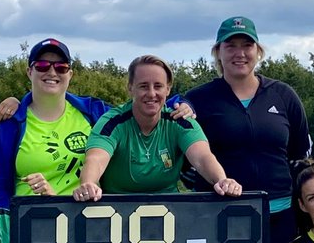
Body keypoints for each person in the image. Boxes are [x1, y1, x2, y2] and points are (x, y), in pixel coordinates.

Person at [0, 38, 196, 208]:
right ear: (30, 71)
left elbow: (138, 108)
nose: (51, 72)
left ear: (70, 74)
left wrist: (183, 104)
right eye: (42, 65)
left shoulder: (94, 112)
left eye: (61, 67)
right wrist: (8, 226)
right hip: (31, 226)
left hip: (88, 222)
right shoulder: (9, 124)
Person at [186, 16, 312, 243]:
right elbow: (186, 161)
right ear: (218, 52)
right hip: (220, 215)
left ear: (258, 51)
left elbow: (301, 151)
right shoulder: (197, 100)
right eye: (230, 46)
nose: (239, 53)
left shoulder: (283, 94)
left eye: (247, 45)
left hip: (280, 215)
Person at [72, 55, 241, 201]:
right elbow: (96, 159)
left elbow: (202, 157)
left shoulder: (179, 120)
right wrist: (89, 183)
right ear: (130, 88)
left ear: (168, 89)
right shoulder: (112, 122)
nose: (152, 93)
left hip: (169, 209)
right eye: (144, 86)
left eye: (158, 86)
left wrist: (221, 180)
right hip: (117, 209)